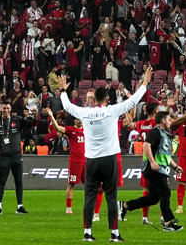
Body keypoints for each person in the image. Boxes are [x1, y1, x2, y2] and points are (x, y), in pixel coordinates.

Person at [56, 65, 152, 242]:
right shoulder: (112, 110)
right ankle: (114, 234)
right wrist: (144, 82)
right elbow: (133, 101)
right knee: (111, 197)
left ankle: (87, 233)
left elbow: (67, 106)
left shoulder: (86, 113)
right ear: (107, 99)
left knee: (89, 197)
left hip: (91, 160)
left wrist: (63, 90)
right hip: (109, 160)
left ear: (94, 100)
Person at [118, 100, 186, 232]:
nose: (170, 122)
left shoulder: (163, 133)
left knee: (153, 198)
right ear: (163, 121)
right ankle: (167, 223)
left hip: (160, 168)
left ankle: (124, 206)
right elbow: (146, 146)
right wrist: (152, 162)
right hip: (154, 168)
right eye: (168, 119)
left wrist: (175, 166)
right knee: (165, 192)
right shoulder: (156, 132)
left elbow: (164, 154)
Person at [0, 101, 32, 214]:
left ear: (10, 109)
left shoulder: (17, 120)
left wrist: (33, 115)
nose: (6, 110)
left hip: (16, 155)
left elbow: (31, 124)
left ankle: (20, 206)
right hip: (4, 156)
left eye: (7, 108)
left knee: (18, 181)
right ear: (1, 109)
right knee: (1, 181)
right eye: (4, 108)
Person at [45, 106, 86, 215]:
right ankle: (68, 208)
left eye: (81, 118)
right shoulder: (70, 130)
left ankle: (89, 206)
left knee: (90, 186)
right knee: (71, 185)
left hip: (87, 161)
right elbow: (58, 128)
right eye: (78, 119)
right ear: (74, 120)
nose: (80, 120)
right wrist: (51, 116)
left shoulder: (88, 129)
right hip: (75, 161)